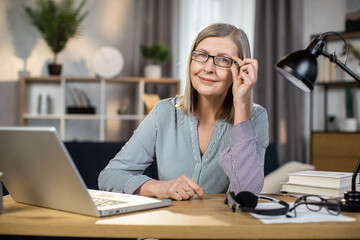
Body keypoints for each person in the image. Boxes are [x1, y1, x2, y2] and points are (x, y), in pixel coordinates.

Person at [98, 23, 269, 201]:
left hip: (224, 227)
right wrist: (158, 187)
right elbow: (110, 176)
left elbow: (247, 193)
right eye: (202, 55)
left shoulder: (255, 117)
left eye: (223, 60)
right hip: (171, 226)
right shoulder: (163, 112)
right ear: (191, 60)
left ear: (241, 69)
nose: (208, 68)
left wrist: (241, 105)